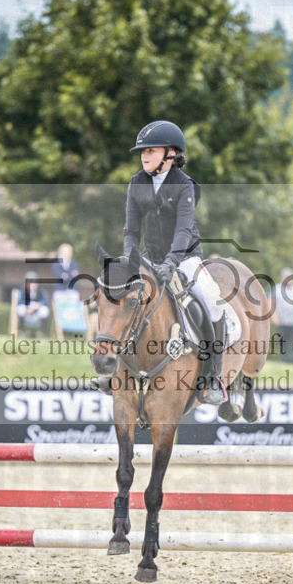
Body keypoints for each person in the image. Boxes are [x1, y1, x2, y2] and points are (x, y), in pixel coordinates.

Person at [92, 121, 228, 404]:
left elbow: (183, 230)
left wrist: (171, 262)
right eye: (142, 151)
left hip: (186, 256)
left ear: (171, 154)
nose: (144, 156)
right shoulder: (136, 183)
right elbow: (130, 229)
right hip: (147, 258)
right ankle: (112, 370)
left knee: (212, 302)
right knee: (119, 299)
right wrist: (131, 260)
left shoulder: (185, 185)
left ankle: (212, 376)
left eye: (151, 150)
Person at [16, 271, 49, 337]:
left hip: (37, 312)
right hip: (26, 311)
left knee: (45, 310)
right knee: (20, 309)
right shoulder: (21, 291)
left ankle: (43, 333)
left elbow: (45, 301)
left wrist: (38, 305)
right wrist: (27, 308)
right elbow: (20, 301)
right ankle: (23, 332)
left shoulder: (41, 291)